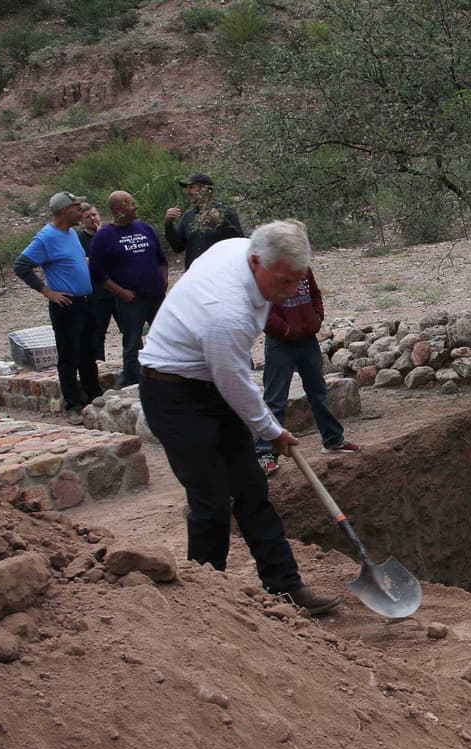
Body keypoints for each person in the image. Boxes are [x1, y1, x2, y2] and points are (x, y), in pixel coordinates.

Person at [137, 220, 341, 616]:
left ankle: (285, 585)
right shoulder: (225, 312)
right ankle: (206, 602)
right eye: (282, 282)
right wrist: (272, 430)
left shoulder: (242, 251)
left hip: (209, 379)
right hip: (172, 392)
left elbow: (228, 381)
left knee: (252, 491)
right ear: (255, 261)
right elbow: (235, 383)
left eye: (295, 283)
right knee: (211, 500)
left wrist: (266, 429)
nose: (287, 293)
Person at [255, 264, 361, 477]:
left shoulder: (303, 266)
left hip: (307, 340)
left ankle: (332, 440)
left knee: (318, 392)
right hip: (279, 343)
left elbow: (314, 293)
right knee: (275, 398)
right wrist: (284, 328)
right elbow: (260, 306)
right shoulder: (266, 269)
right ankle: (265, 453)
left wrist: (317, 317)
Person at [13, 191, 102, 426]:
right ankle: (73, 404)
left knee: (87, 354)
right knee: (69, 356)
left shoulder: (71, 232)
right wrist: (47, 292)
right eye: (76, 208)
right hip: (67, 305)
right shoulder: (46, 237)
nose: (80, 212)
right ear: (64, 211)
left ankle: (94, 397)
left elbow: (73, 260)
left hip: (85, 301)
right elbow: (21, 266)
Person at [89, 191, 169, 388]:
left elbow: (162, 259)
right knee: (133, 343)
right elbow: (97, 273)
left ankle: (168, 378)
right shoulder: (104, 237)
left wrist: (163, 282)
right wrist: (120, 292)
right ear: (118, 210)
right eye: (131, 203)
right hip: (132, 300)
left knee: (167, 338)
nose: (136, 206)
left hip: (156, 296)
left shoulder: (145, 228)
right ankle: (133, 383)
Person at [164, 172, 244, 270]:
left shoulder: (226, 212)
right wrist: (168, 224)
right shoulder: (188, 216)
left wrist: (221, 222)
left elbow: (239, 242)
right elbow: (178, 247)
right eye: (187, 188)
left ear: (205, 189)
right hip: (195, 275)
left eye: (192, 187)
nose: (187, 191)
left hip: (221, 273)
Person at [78, 203, 121, 363]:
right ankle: (100, 367)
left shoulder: (111, 232)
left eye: (94, 215)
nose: (92, 219)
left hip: (118, 290)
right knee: (97, 333)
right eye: (87, 217)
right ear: (81, 220)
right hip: (97, 293)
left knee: (129, 330)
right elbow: (84, 263)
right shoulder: (79, 239)